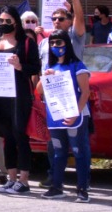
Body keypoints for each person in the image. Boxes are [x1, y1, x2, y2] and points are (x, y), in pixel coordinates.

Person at [0, 5, 39, 195]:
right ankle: (11, 178)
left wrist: (20, 66)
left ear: (16, 22)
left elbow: (35, 67)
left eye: (8, 21)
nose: (4, 24)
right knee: (6, 137)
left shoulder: (26, 42)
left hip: (18, 97)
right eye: (1, 21)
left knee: (20, 137)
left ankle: (24, 180)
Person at [39, 28, 91, 202]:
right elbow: (39, 90)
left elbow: (85, 92)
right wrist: (44, 77)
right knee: (58, 152)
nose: (55, 46)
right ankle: (56, 186)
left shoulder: (77, 65)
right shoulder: (50, 66)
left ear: (66, 44)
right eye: (52, 43)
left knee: (79, 152)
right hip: (56, 116)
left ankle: (82, 189)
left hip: (76, 116)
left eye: (58, 42)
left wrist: (76, 113)